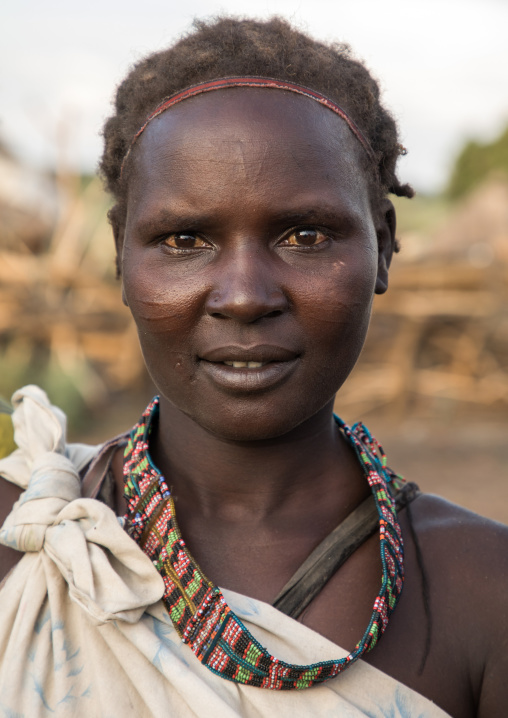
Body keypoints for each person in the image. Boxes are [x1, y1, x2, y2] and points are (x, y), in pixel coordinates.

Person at [0, 16, 507, 717]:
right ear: (121, 253)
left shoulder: (484, 592)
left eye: (305, 235)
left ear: (385, 247)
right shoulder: (25, 538)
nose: (244, 296)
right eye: (184, 239)